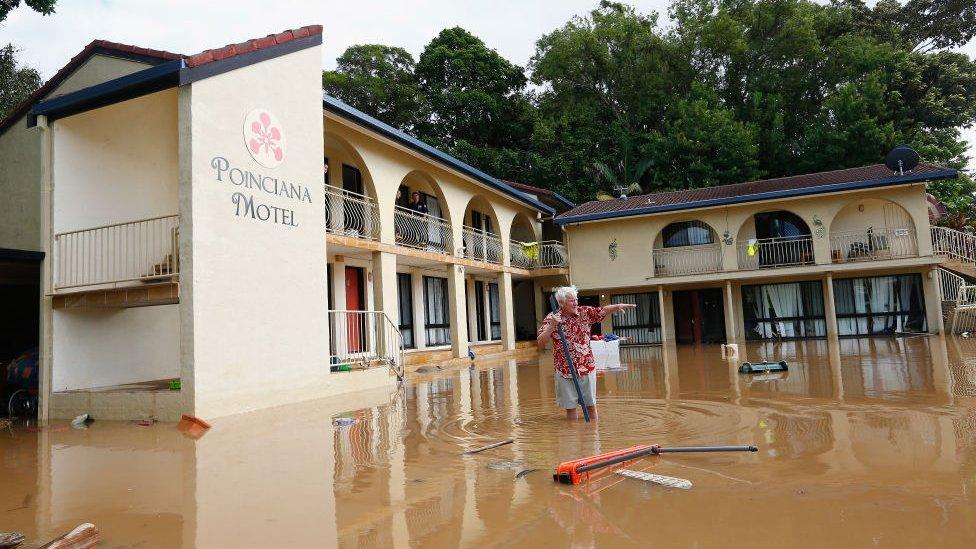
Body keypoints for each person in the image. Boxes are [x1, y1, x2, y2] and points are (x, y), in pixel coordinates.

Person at [537, 286, 635, 420]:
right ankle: (573, 437)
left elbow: (602, 311)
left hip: (586, 367)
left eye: (576, 299)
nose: (576, 303)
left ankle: (593, 436)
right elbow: (540, 342)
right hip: (564, 369)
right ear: (561, 303)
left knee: (590, 405)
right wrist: (552, 326)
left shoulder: (584, 312)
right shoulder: (552, 318)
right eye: (571, 301)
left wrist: (617, 306)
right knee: (570, 408)